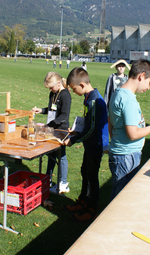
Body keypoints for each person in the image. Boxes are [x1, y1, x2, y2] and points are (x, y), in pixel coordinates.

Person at [108, 59, 150, 199]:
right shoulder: (128, 99)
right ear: (141, 76)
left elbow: (110, 120)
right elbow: (133, 134)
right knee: (121, 199)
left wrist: (115, 141)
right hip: (126, 157)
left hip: (122, 154)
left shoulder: (118, 93)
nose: (148, 88)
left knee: (120, 195)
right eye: (149, 83)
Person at [64, 67, 109, 222]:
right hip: (89, 144)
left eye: (73, 89)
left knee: (92, 177)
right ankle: (83, 201)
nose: (74, 92)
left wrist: (74, 139)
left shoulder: (95, 101)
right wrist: (77, 131)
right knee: (85, 172)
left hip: (95, 145)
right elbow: (88, 124)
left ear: (82, 85)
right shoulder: (89, 97)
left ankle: (92, 209)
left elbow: (92, 129)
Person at [31, 72, 71, 194]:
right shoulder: (53, 93)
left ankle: (63, 183)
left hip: (61, 130)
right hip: (52, 128)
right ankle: (47, 179)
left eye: (51, 87)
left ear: (58, 83)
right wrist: (41, 110)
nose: (50, 89)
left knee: (61, 155)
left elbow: (64, 115)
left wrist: (49, 125)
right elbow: (51, 110)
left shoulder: (65, 95)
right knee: (51, 155)